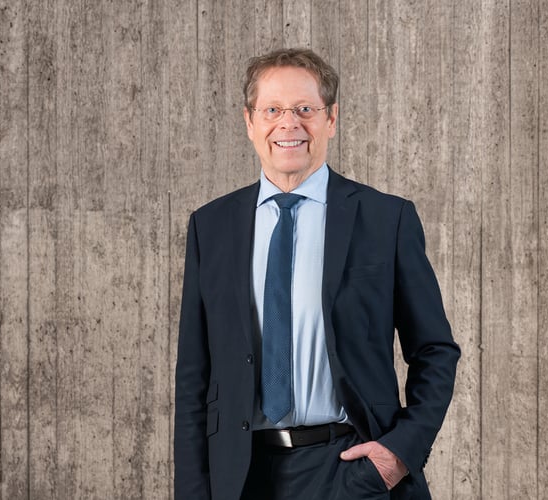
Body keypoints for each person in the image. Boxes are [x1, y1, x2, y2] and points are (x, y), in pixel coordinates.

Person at [174, 48, 460, 500]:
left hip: (350, 470)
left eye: (305, 109)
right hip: (241, 476)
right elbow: (194, 375)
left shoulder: (386, 220)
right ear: (250, 122)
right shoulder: (211, 227)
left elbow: (435, 350)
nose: (289, 124)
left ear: (331, 119)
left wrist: (397, 454)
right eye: (272, 110)